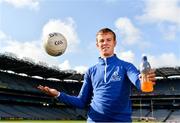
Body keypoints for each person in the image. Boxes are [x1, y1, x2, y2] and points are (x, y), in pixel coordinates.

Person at [38, 28, 156, 122]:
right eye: (101, 41)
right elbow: (81, 102)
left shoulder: (126, 66)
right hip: (94, 120)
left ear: (115, 43)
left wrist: (143, 79)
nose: (105, 43)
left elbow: (138, 82)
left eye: (109, 40)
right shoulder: (91, 71)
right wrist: (58, 94)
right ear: (97, 45)